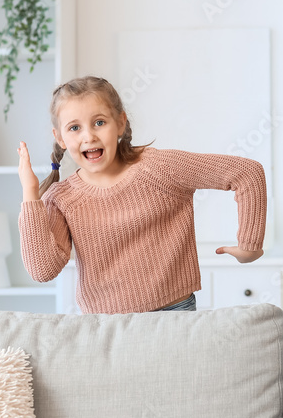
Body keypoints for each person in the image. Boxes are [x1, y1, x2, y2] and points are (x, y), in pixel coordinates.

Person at [17, 76, 267, 313]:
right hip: (106, 326)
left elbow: (246, 173)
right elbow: (43, 270)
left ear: (121, 123)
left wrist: (250, 245)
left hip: (174, 312)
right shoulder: (61, 198)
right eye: (74, 128)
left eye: (99, 122)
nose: (88, 136)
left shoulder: (159, 168)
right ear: (59, 138)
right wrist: (30, 195)